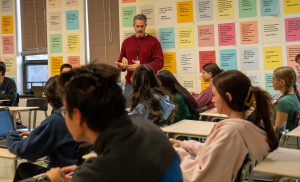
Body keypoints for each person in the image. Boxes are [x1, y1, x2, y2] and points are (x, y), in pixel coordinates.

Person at [21, 64, 182, 182]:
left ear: (77, 115)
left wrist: (45, 180)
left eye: (65, 111)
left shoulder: (98, 172)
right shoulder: (150, 130)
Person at [170, 70, 278, 182]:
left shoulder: (230, 132)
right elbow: (214, 153)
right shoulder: (244, 126)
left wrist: (177, 153)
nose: (212, 100)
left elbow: (200, 177)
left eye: (214, 95)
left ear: (228, 97)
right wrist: (183, 144)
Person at [6, 76, 79, 181]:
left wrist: (11, 136)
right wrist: (38, 134)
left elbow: (26, 151)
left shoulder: (57, 119)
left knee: (24, 168)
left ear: (47, 98)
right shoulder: (75, 115)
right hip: (75, 171)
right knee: (25, 168)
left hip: (61, 174)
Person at [116, 14, 164, 105]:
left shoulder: (154, 42)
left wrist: (141, 66)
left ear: (146, 26)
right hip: (130, 85)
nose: (139, 29)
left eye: (142, 26)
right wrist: (122, 66)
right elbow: (120, 61)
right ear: (133, 26)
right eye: (137, 26)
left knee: (149, 114)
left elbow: (159, 62)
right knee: (129, 112)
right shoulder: (126, 42)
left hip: (149, 84)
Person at [272, 66, 300, 132]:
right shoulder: (293, 96)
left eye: (273, 79)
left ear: (282, 82)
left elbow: (278, 131)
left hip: (283, 141)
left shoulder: (284, 101)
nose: (272, 82)